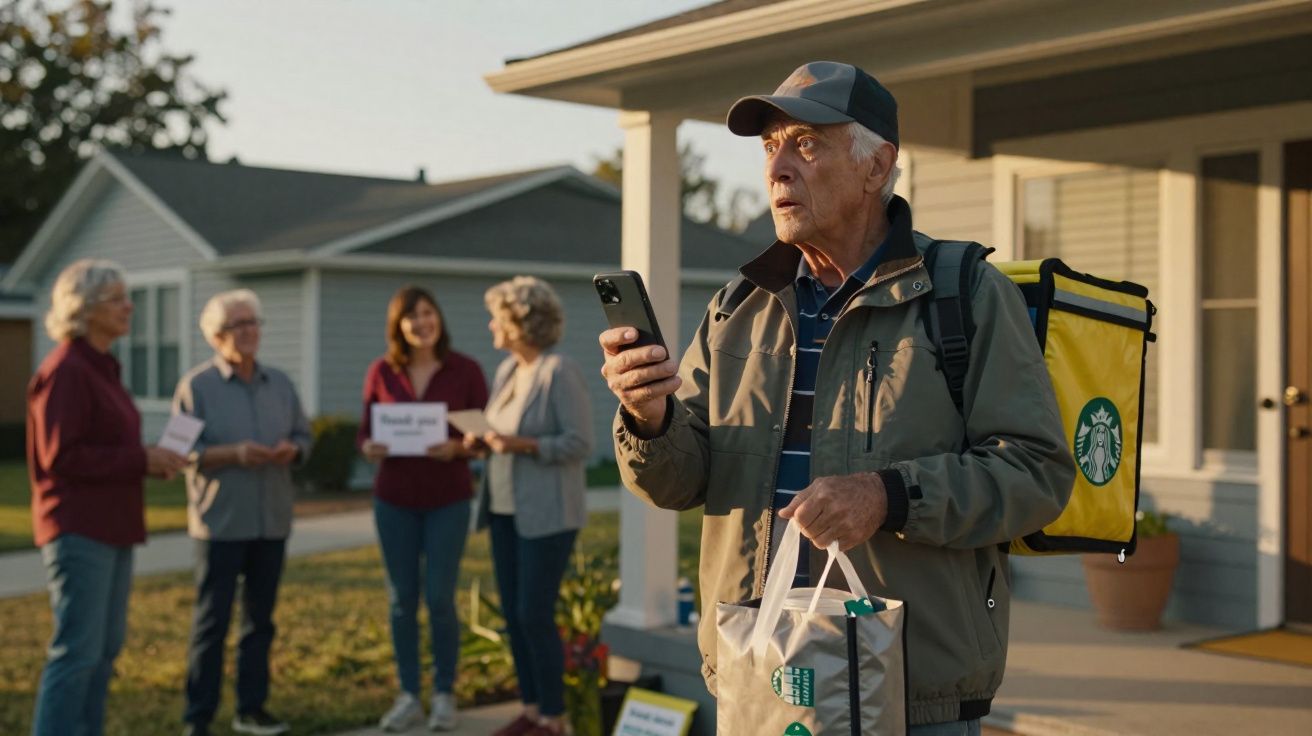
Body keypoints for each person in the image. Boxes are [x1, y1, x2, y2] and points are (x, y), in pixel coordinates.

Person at [599, 62, 1075, 734]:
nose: (778, 169)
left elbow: (1038, 474)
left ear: (876, 167)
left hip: (910, 688)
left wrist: (889, 496)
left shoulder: (963, 294)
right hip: (761, 669)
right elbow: (684, 480)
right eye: (770, 147)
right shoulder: (739, 306)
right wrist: (650, 420)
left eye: (807, 143)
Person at [27, 258, 188, 736]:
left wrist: (152, 460)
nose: (129, 306)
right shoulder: (68, 370)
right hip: (78, 530)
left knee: (103, 653)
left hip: (114, 527)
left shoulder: (103, 367)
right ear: (85, 308)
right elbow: (62, 457)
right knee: (77, 653)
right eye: (117, 298)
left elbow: (109, 448)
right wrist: (142, 460)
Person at [171, 289, 311, 736]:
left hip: (271, 520)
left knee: (260, 621)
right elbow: (178, 452)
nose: (250, 331)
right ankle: (199, 718)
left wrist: (294, 450)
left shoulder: (281, 383)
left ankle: (251, 708)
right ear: (215, 336)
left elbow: (305, 437)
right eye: (238, 324)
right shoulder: (197, 387)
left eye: (254, 322)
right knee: (212, 624)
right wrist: (232, 453)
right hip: (220, 524)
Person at [358, 285, 489, 732]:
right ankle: (409, 694)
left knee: (438, 598)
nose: (421, 323)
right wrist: (370, 447)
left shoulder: (465, 370)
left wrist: (457, 449)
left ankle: (445, 694)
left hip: (447, 500)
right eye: (411, 317)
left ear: (439, 318)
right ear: (399, 326)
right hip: (393, 500)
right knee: (401, 601)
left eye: (427, 313)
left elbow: (483, 438)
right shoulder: (381, 371)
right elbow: (364, 433)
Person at [467, 276, 593, 736]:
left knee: (533, 614)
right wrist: (482, 442)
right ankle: (532, 708)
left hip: (548, 515)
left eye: (497, 318)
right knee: (514, 614)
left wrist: (519, 444)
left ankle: (555, 719)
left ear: (521, 323)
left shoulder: (559, 371)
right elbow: (500, 436)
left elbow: (579, 443)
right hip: (503, 510)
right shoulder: (507, 372)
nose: (490, 326)